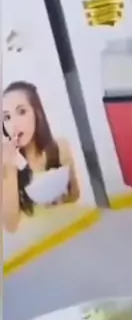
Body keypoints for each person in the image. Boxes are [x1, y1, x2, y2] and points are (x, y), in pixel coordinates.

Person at [2, 81, 80, 233]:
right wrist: (9, 166)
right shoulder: (6, 162)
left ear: (37, 113)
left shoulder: (60, 147)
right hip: (33, 242)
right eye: (7, 117)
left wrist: (60, 199)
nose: (13, 124)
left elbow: (75, 195)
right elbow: (11, 226)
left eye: (21, 112)